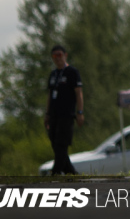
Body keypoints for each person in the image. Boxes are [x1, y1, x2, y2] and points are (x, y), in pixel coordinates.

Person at [44, 45, 84, 176]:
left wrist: (80, 112)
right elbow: (50, 94)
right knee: (54, 141)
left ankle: (56, 170)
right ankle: (70, 171)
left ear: (65, 55)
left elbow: (78, 93)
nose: (57, 58)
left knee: (62, 142)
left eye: (59, 55)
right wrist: (47, 113)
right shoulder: (53, 74)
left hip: (67, 114)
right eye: (54, 56)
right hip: (54, 113)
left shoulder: (72, 72)